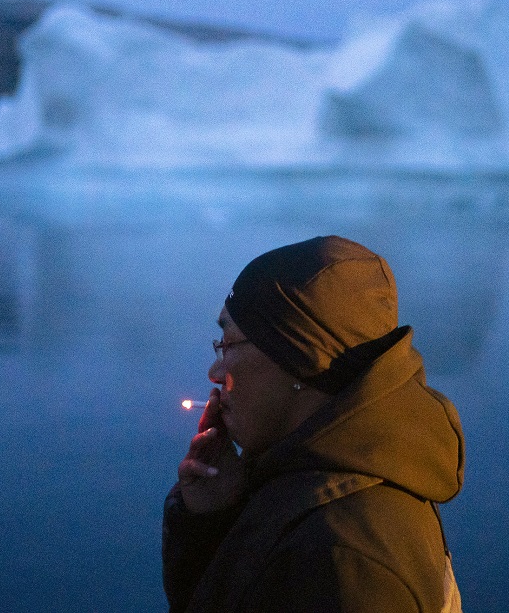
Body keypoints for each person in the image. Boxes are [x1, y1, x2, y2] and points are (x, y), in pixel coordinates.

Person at [163, 235, 465, 612]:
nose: (215, 372)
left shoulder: (343, 561)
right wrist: (213, 520)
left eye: (229, 344)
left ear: (298, 358)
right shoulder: (319, 484)